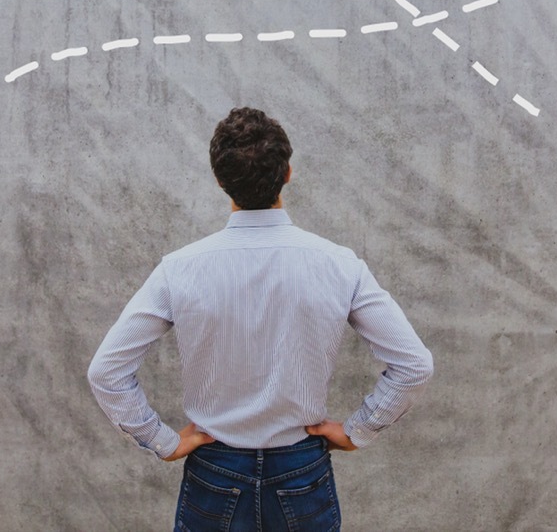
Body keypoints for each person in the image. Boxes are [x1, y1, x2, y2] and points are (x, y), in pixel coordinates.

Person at [88, 107, 433, 531]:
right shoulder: (339, 265)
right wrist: (358, 430)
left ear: (219, 180)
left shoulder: (180, 269)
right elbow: (413, 365)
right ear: (287, 173)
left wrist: (162, 440)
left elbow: (107, 370)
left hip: (214, 471)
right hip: (301, 470)